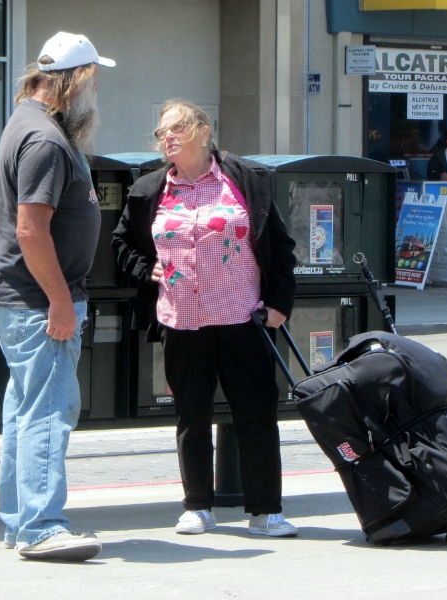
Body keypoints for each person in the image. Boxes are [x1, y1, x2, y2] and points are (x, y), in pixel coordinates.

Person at [112, 99, 299, 537]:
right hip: (181, 318)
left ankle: (266, 511)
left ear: (202, 130)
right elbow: (121, 244)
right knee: (190, 416)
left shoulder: (246, 180)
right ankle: (197, 506)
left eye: (176, 128)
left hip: (243, 316)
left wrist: (278, 304)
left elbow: (281, 247)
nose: (167, 138)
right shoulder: (149, 189)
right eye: (161, 132)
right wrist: (146, 268)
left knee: (256, 412)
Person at [0, 32, 115, 561]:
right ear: (76, 79)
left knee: (25, 408)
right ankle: (41, 525)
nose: (95, 89)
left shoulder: (29, 123)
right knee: (47, 411)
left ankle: (21, 522)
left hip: (23, 298)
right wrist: (60, 301)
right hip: (39, 302)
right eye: (93, 77)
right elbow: (32, 230)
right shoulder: (44, 139)